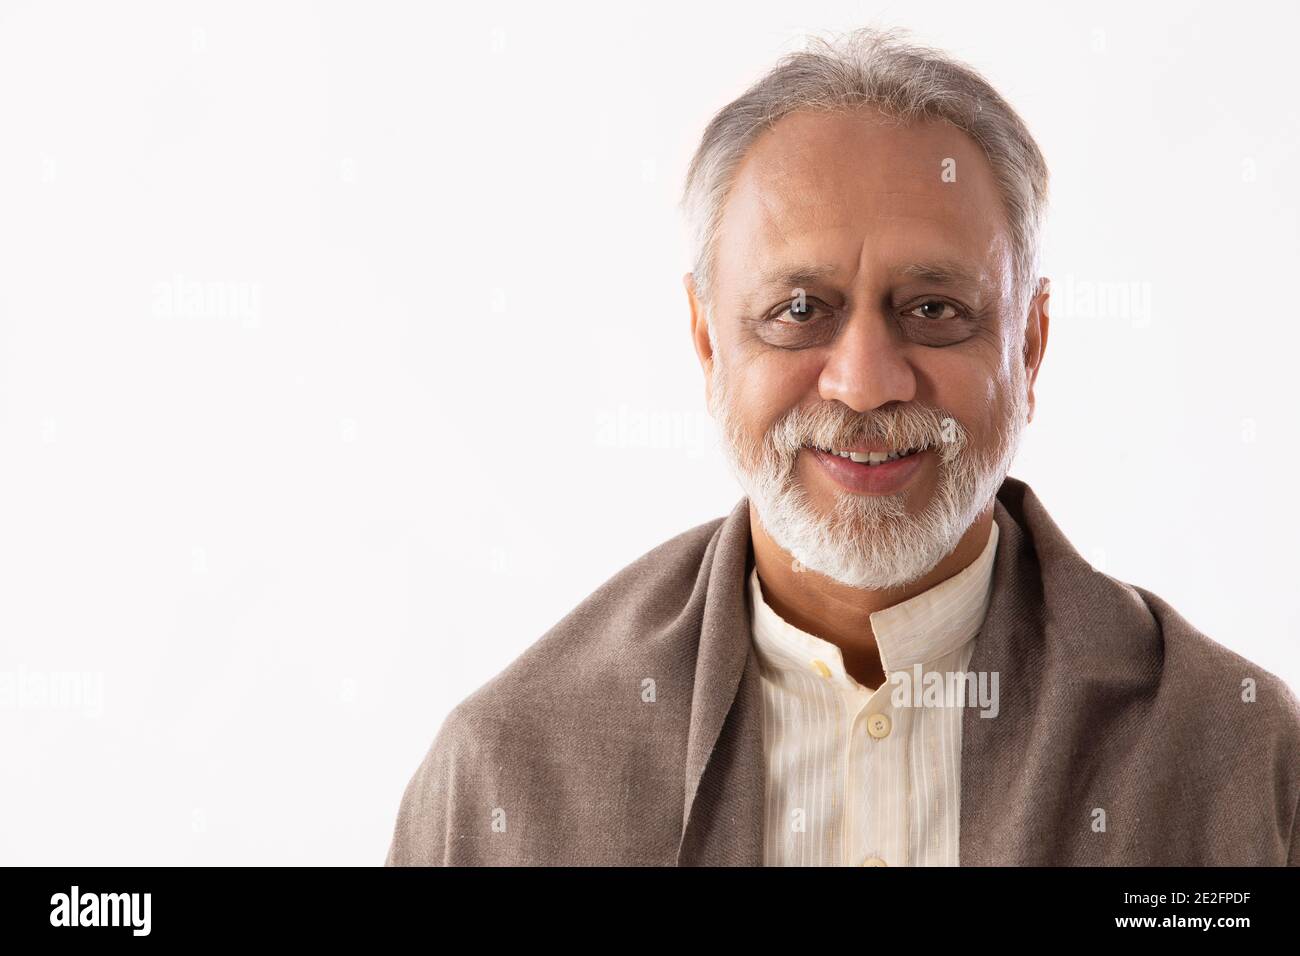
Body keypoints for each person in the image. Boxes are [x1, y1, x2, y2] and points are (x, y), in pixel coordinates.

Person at [385, 27, 1300, 866]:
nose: (864, 383)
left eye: (934, 310)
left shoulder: (1234, 755)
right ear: (708, 342)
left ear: (1029, 347)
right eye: (798, 312)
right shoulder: (508, 773)